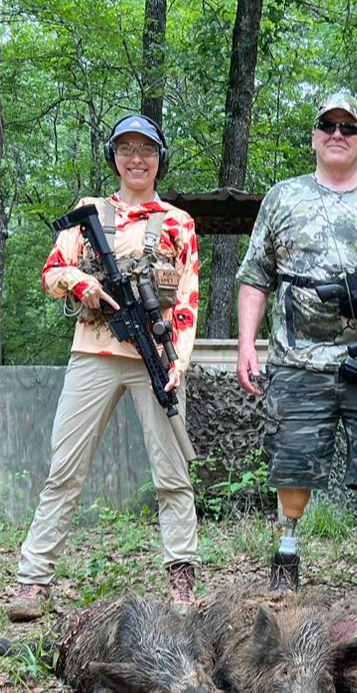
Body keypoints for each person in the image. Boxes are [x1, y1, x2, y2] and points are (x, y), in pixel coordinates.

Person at [235, 92, 357, 609]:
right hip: (296, 358)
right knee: (292, 466)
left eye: (348, 127)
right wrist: (246, 345)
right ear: (315, 136)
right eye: (328, 125)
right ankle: (286, 557)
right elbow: (255, 277)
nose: (337, 134)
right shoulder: (282, 197)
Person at [7, 114, 201, 622]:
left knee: (172, 470)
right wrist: (81, 284)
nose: (137, 159)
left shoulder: (178, 222)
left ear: (160, 159)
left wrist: (178, 361)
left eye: (147, 150)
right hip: (93, 352)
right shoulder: (89, 212)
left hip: (153, 359)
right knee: (64, 468)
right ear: (114, 157)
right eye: (126, 150)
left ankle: (182, 575)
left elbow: (186, 298)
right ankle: (33, 579)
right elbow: (51, 272)